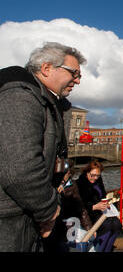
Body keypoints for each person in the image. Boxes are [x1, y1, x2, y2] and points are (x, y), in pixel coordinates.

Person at [0, 42, 86, 252]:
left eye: (79, 76)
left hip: (25, 217)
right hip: (10, 221)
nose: (77, 80)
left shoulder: (49, 102)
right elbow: (20, 170)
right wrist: (48, 211)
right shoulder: (19, 96)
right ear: (47, 68)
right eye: (74, 73)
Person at [42, 159, 93, 252]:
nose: (61, 177)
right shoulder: (50, 185)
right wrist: (56, 193)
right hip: (53, 227)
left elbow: (80, 208)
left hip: (69, 223)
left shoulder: (72, 186)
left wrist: (89, 228)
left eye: (64, 174)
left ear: (69, 173)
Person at [77, 161, 123, 252]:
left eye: (97, 175)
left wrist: (106, 204)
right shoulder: (80, 184)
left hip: (101, 211)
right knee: (107, 225)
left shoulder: (99, 181)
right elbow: (80, 206)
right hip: (89, 214)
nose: (94, 178)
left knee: (117, 224)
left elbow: (102, 195)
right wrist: (94, 207)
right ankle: (99, 249)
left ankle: (107, 249)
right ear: (87, 172)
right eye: (92, 175)